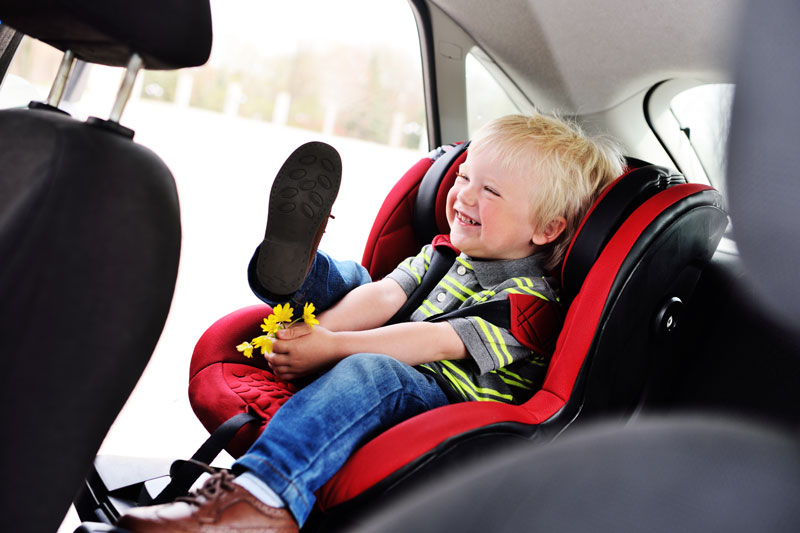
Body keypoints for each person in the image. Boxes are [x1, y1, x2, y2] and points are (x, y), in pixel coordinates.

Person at [118, 114, 625, 532]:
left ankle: (261, 498)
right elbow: (386, 295)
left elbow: (426, 340)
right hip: (381, 354)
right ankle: (297, 272)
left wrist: (335, 348)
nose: (463, 195)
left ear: (547, 228)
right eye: (465, 176)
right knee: (354, 279)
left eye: (490, 191)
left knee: (375, 371)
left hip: (439, 404)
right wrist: (316, 338)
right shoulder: (445, 252)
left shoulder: (527, 304)